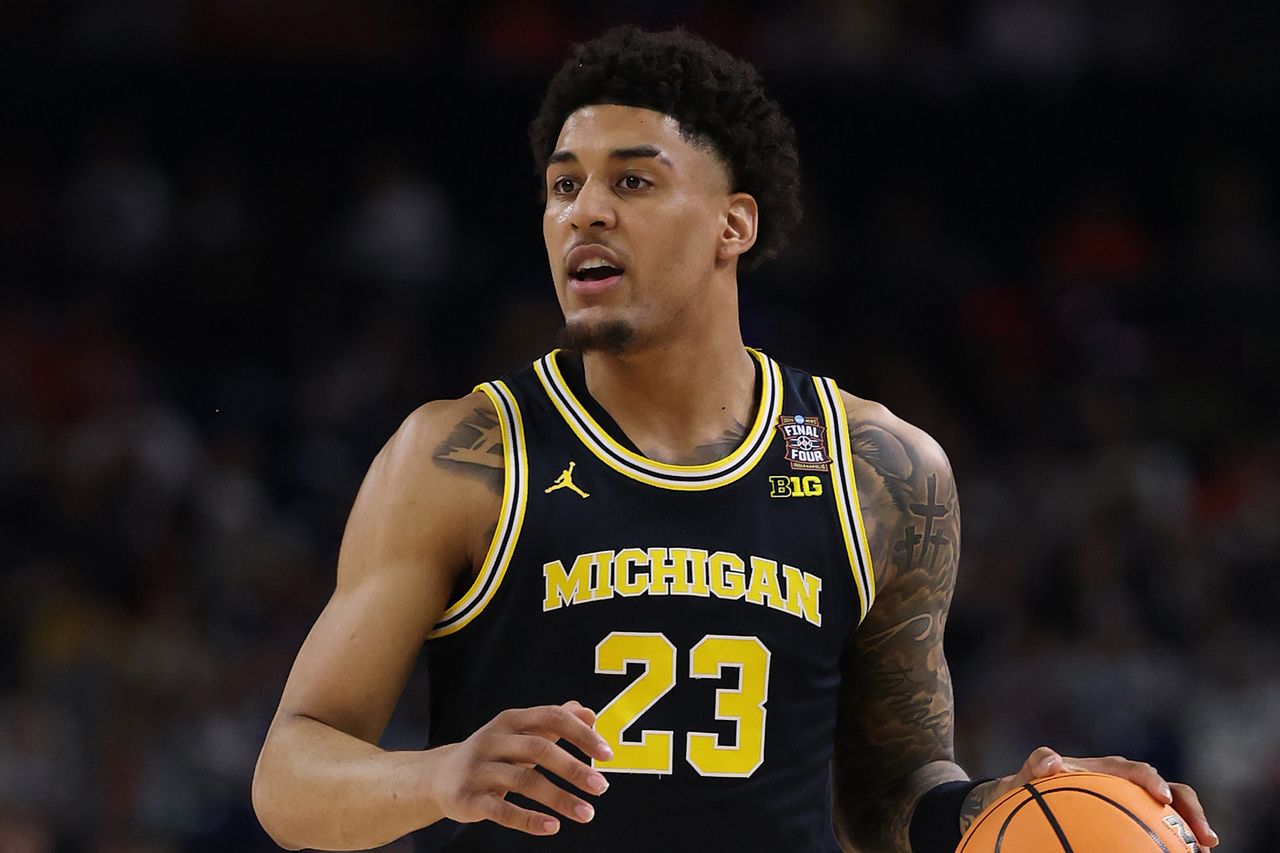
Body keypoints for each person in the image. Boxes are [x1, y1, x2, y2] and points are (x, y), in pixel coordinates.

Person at [251, 26, 1217, 852]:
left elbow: (890, 790)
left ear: (734, 222)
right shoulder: (461, 454)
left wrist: (1006, 807)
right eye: (562, 185)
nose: (584, 209)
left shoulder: (880, 469)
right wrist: (439, 775)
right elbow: (289, 774)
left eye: (633, 179)